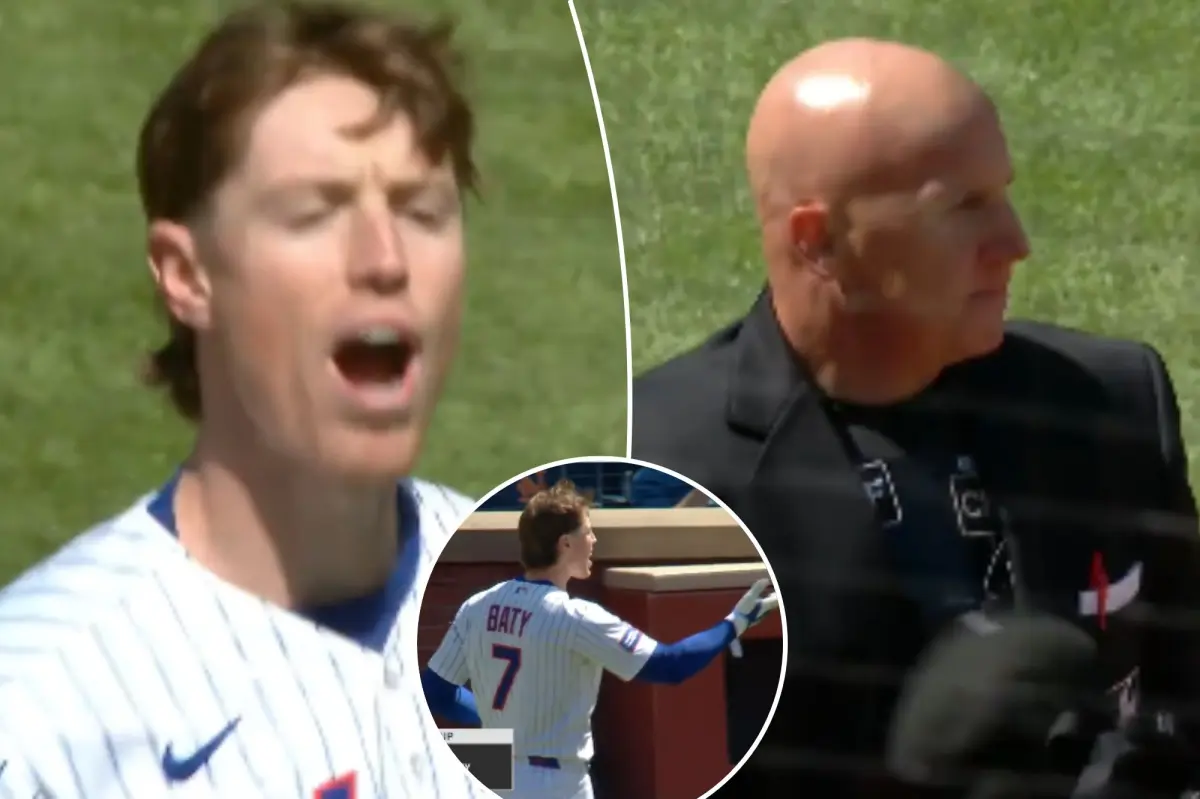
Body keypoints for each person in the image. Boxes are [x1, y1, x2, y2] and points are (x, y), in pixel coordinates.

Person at [631, 37, 1200, 798]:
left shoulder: (1107, 402)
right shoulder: (657, 476)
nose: (1016, 244)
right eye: (963, 208)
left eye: (1002, 195)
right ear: (819, 242)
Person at [0, 3, 496, 797]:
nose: (385, 259)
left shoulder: (548, 603)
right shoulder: (38, 713)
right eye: (314, 214)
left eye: (422, 212)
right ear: (187, 275)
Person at [420, 479, 779, 799]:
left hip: (489, 771)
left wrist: (496, 719)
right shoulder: (575, 617)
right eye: (587, 532)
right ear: (565, 544)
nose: (593, 541)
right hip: (554, 783)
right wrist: (734, 624)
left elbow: (435, 690)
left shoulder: (477, 605)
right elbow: (670, 666)